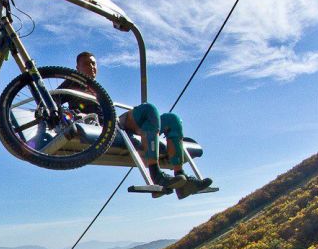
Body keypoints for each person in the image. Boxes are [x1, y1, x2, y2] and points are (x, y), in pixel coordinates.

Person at [67, 52, 212, 194]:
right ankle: (156, 174)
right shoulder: (71, 82)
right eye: (86, 64)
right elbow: (51, 102)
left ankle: (181, 179)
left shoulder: (97, 88)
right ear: (77, 68)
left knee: (172, 120)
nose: (91, 66)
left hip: (115, 123)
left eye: (93, 63)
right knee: (149, 110)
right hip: (102, 126)